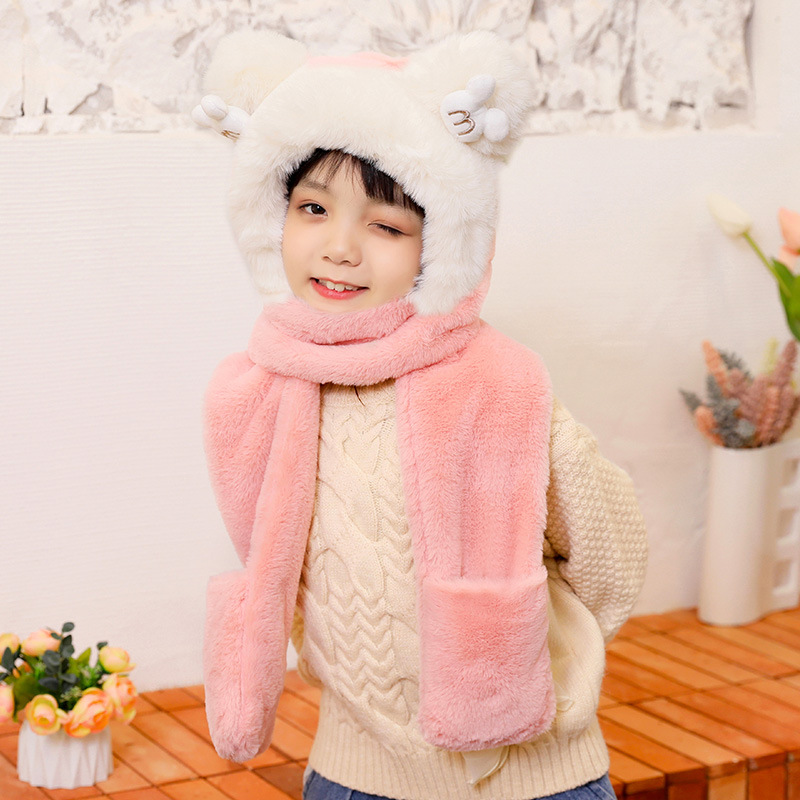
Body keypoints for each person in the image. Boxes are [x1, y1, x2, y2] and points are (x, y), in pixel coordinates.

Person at [194, 28, 647, 800]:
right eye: (313, 208)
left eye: (386, 225)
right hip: (356, 773)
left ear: (440, 244)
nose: (340, 247)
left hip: (536, 778)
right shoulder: (255, 395)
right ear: (272, 217)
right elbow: (291, 583)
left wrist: (519, 655)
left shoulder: (502, 388)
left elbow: (610, 563)